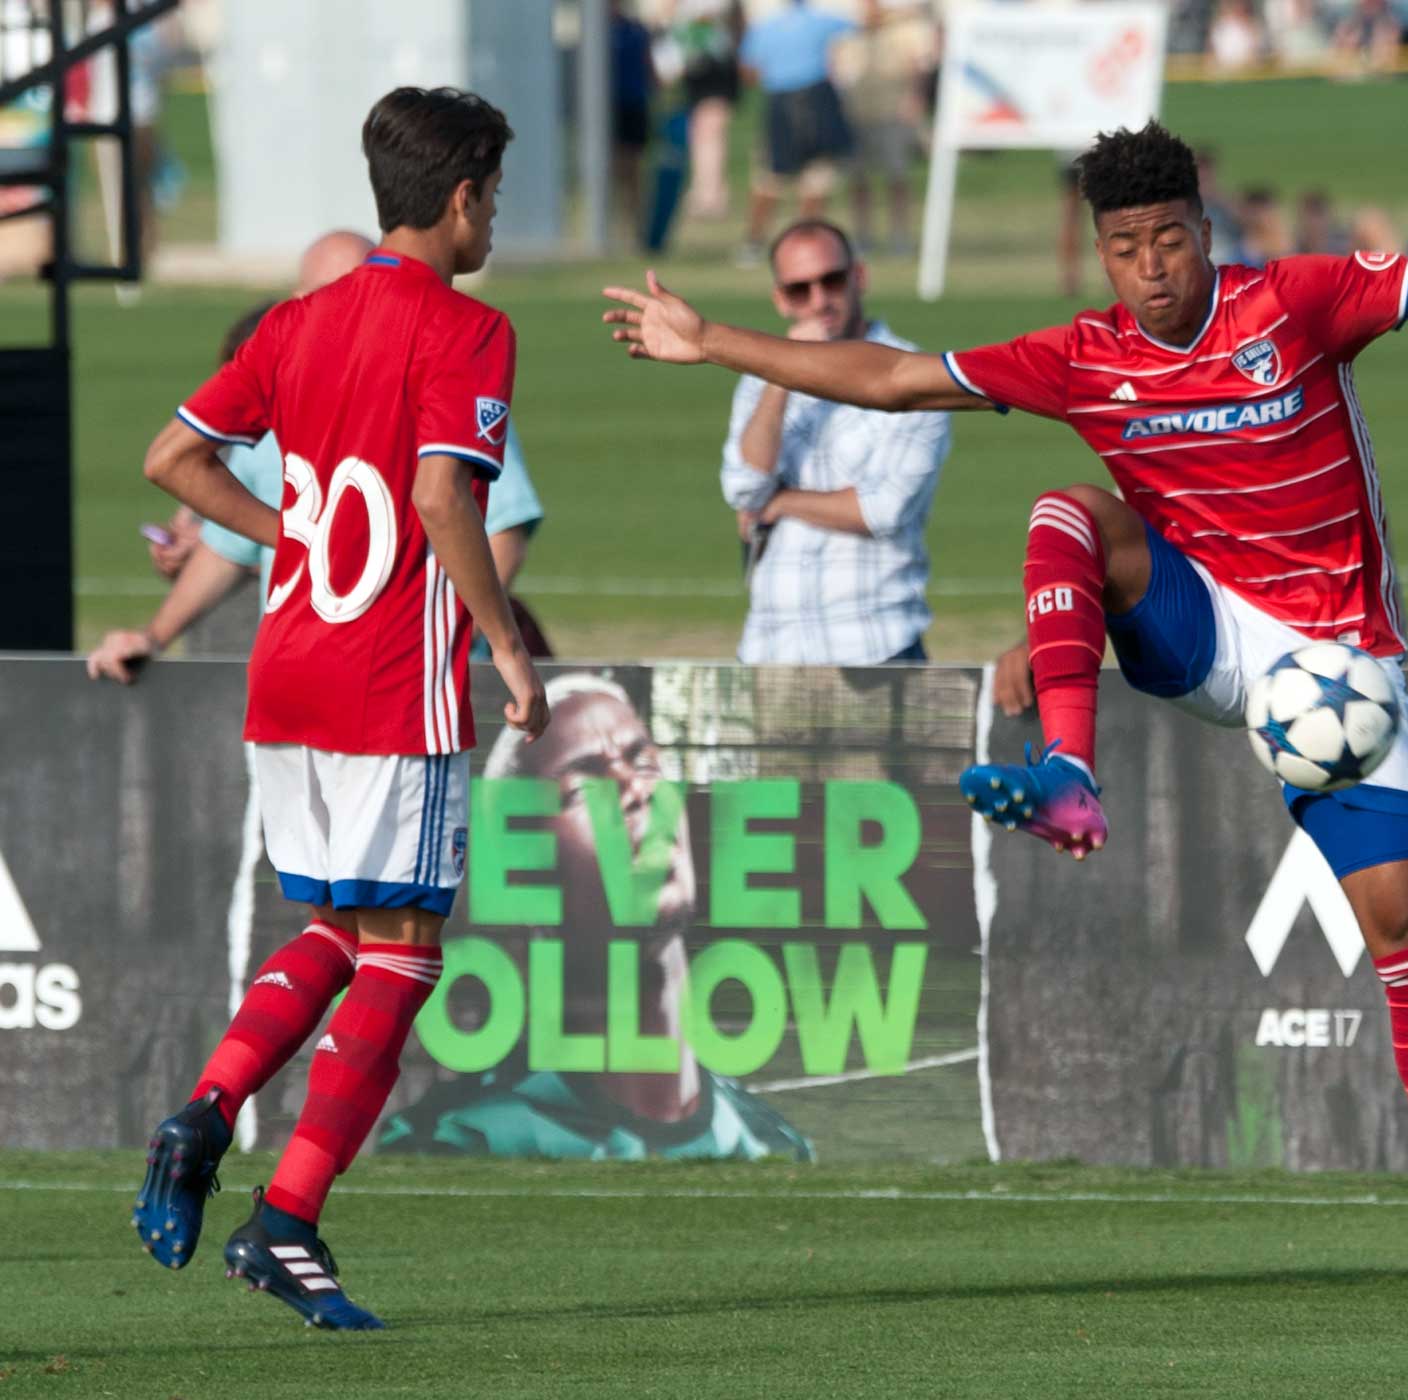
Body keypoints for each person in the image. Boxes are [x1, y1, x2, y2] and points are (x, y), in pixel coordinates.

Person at [603, 119, 1408, 1299]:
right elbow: (893, 379)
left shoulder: (1293, 301)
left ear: (1204, 230)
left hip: (1333, 658)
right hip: (1198, 626)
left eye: (1169, 240)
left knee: (1407, 915)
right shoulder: (1084, 355)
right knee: (1065, 508)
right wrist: (711, 342)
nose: (1152, 268)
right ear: (1102, 252)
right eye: (1126, 248)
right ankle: (1070, 774)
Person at [128, 86, 547, 1331]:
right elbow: (441, 497)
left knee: (334, 929)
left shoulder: (297, 321)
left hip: (287, 673)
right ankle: (287, 1217)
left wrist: (289, 533)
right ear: (462, 198)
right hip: (387, 678)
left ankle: (205, 1110)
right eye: (494, 197)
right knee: (403, 952)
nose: (493, 220)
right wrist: (507, 647)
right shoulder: (469, 328)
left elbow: (170, 458)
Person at [85, 231, 548, 684]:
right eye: (338, 290)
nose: (355, 303)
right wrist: (155, 635)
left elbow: (502, 532)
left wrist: (456, 639)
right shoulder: (277, 402)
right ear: (301, 302)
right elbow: (225, 547)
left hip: (417, 679)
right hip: (305, 671)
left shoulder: (447, 385)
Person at [383, 674, 812, 1160]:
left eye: (643, 762)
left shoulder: (773, 1145)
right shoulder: (458, 1142)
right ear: (522, 868)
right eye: (584, 787)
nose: (634, 788)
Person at [720, 219, 949, 664]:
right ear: (781, 300)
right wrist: (782, 375)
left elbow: (882, 508)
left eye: (832, 280)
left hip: (875, 646)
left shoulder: (915, 374)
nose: (819, 300)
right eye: (800, 290)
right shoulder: (760, 379)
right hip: (772, 648)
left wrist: (780, 502)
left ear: (858, 277)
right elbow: (744, 487)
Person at [737, 0, 857, 263]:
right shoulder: (822, 21)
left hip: (781, 104)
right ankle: (806, 246)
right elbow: (862, 24)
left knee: (771, 180)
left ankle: (753, 244)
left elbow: (748, 71)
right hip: (817, 104)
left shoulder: (765, 27)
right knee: (813, 182)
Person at [841, 0, 934, 258]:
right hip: (857, 113)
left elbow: (918, 67)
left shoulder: (902, 33)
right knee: (859, 179)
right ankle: (862, 237)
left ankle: (899, 236)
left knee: (897, 176)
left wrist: (915, 99)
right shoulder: (849, 34)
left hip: (893, 113)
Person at [670, 0, 744, 228]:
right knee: (702, 141)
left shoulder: (714, 30)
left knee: (710, 142)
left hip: (714, 89)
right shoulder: (702, 30)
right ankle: (704, 193)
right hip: (701, 90)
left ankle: (711, 197)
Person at [611, 1, 658, 246]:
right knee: (615, 168)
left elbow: (649, 67)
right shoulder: (599, 34)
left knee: (634, 171)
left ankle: (635, 228)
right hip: (609, 108)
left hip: (633, 105)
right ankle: (617, 227)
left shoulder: (637, 30)